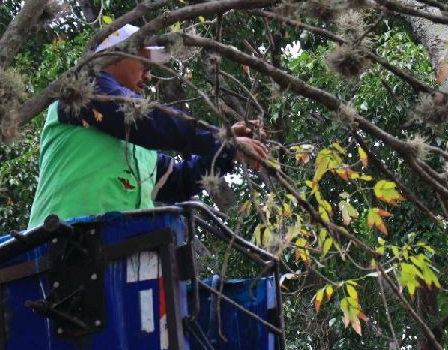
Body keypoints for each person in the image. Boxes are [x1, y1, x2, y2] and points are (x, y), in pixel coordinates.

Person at [27, 24, 268, 227]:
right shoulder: (82, 87)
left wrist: (227, 149)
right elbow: (145, 118)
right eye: (145, 64)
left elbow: (181, 180)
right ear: (116, 55)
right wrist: (219, 138)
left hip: (114, 259)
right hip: (59, 248)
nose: (149, 76)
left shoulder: (138, 151)